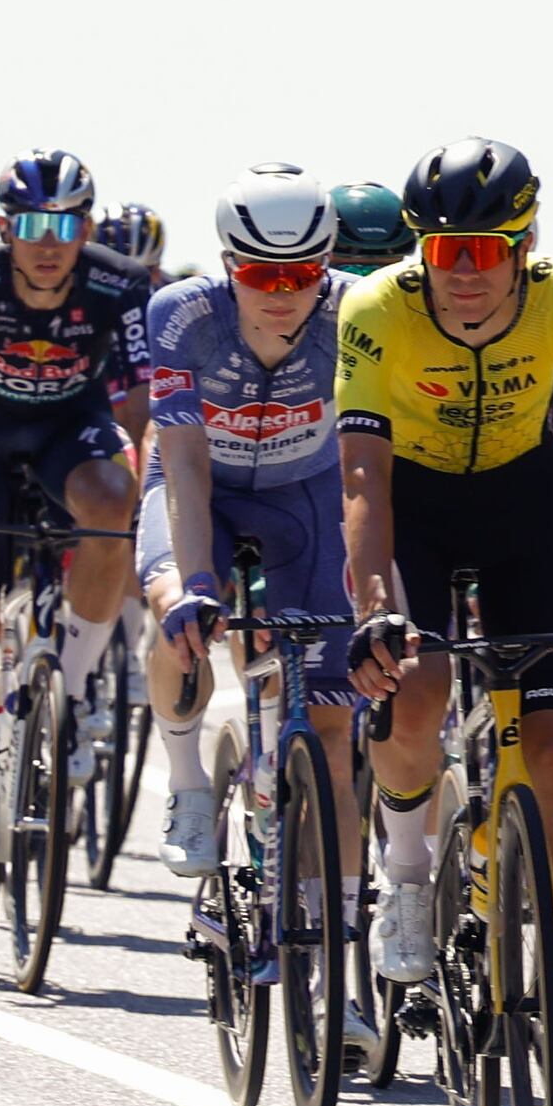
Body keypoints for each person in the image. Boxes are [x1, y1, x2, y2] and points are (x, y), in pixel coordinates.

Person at [339, 137, 553, 1106]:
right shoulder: (373, 308)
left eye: (481, 252)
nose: (458, 274)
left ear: (521, 245)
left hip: (518, 508)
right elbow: (363, 480)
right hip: (412, 509)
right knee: (412, 688)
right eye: (440, 253)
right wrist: (374, 609)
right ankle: (407, 875)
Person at [0, 151, 154, 933]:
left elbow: (140, 393)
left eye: (67, 223)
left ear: (85, 226)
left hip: (66, 434)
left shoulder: (118, 282)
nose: (50, 242)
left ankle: (69, 694)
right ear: (6, 227)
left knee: (115, 503)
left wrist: (138, 474)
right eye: (34, 226)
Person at [139, 167, 354, 883]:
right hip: (204, 488)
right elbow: (186, 466)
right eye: (263, 273)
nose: (283, 293)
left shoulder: (353, 313)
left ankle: (333, 932)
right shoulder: (182, 316)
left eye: (304, 274)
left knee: (331, 721)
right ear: (230, 263)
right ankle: (188, 785)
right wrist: (199, 583)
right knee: (177, 609)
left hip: (306, 497)